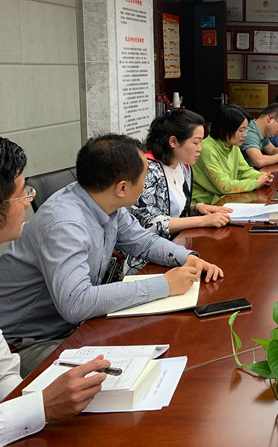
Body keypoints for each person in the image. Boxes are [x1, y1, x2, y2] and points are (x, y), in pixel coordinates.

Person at [0, 134, 223, 376]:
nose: (146, 183)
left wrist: (187, 257)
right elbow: (76, 303)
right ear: (122, 188)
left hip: (72, 326)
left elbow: (143, 241)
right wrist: (165, 285)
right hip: (26, 343)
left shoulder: (102, 200)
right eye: (144, 176)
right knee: (126, 372)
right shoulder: (65, 223)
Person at [0, 138, 112, 444]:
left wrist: (28, 403)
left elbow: (4, 374)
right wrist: (40, 406)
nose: (29, 201)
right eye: (22, 193)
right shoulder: (64, 217)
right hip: (27, 340)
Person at [131, 109, 232, 238]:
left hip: (180, 240)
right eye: (195, 142)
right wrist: (202, 221)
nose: (200, 148)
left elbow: (172, 211)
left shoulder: (183, 166)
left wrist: (195, 209)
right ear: (173, 142)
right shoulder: (148, 170)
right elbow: (147, 223)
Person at [192, 104, 274, 204]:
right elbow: (224, 186)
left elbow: (244, 171)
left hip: (227, 199)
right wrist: (256, 183)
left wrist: (262, 176)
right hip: (207, 205)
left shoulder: (233, 147)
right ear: (225, 129)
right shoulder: (207, 149)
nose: (245, 134)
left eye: (246, 129)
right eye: (241, 130)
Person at [240, 103, 278, 168]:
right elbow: (259, 161)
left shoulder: (261, 132)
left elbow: (272, 150)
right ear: (270, 119)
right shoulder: (249, 132)